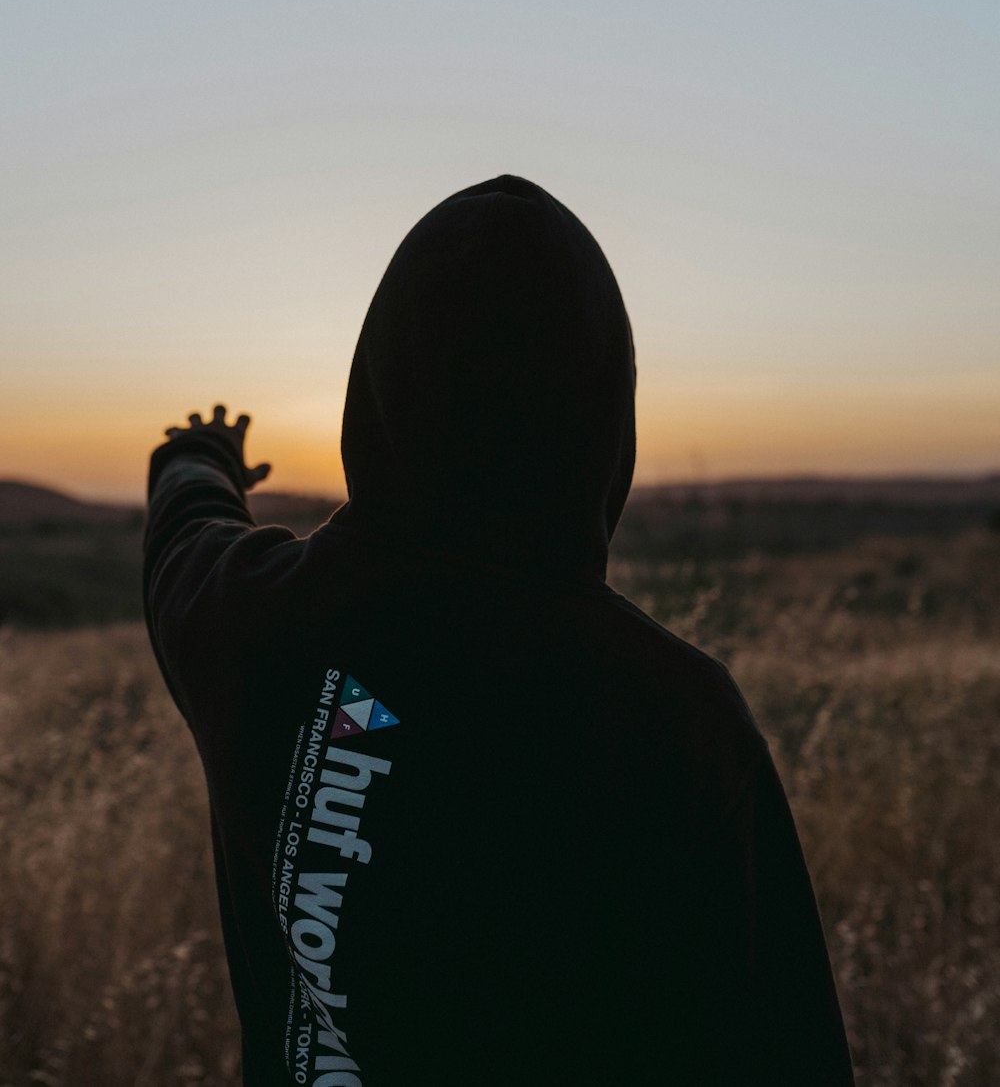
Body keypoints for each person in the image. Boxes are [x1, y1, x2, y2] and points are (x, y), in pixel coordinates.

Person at [143, 173, 855, 1087]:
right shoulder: (670, 721)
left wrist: (198, 455)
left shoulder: (250, 618)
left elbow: (182, 533)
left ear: (376, 389)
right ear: (603, 424)